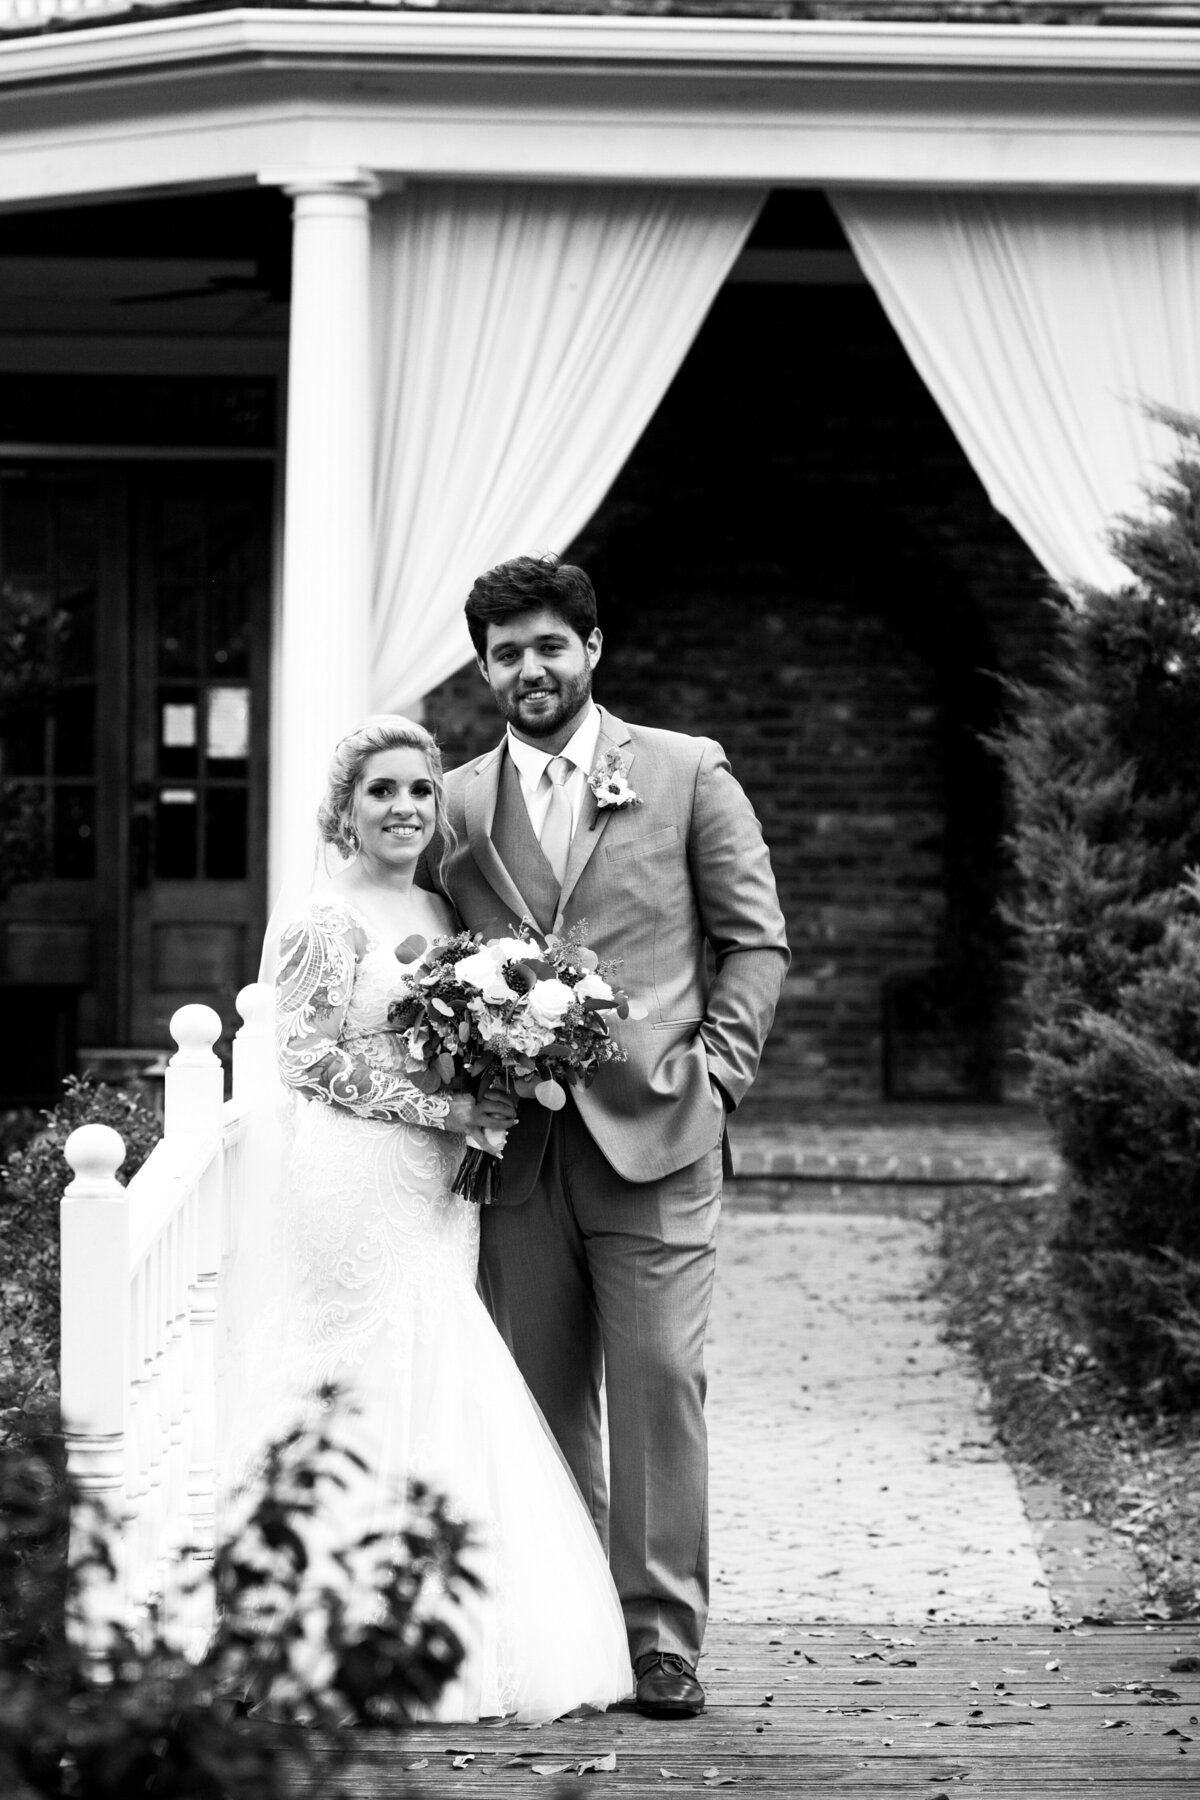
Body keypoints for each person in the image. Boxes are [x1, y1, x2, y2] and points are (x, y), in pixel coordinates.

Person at [440, 556, 789, 1718]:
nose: (528, 669)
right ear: (484, 668)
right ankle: (573, 1622)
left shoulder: (687, 771)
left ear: (594, 647)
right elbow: (430, 969)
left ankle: (660, 1638)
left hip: (660, 1133)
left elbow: (756, 941)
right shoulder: (454, 799)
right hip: (517, 1156)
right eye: (505, 653)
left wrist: (719, 1077)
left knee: (657, 1386)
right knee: (539, 1401)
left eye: (548, 646)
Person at [257, 714, 633, 1722]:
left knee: (439, 1362)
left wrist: (501, 1069)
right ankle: (329, 1626)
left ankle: (440, 1626)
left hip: (436, 1184)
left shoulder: (437, 904)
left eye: (420, 791)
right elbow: (302, 1059)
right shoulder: (325, 920)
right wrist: (446, 1108)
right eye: (381, 791)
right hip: (353, 1180)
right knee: (360, 1367)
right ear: (345, 808)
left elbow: (450, 1037)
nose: (404, 809)